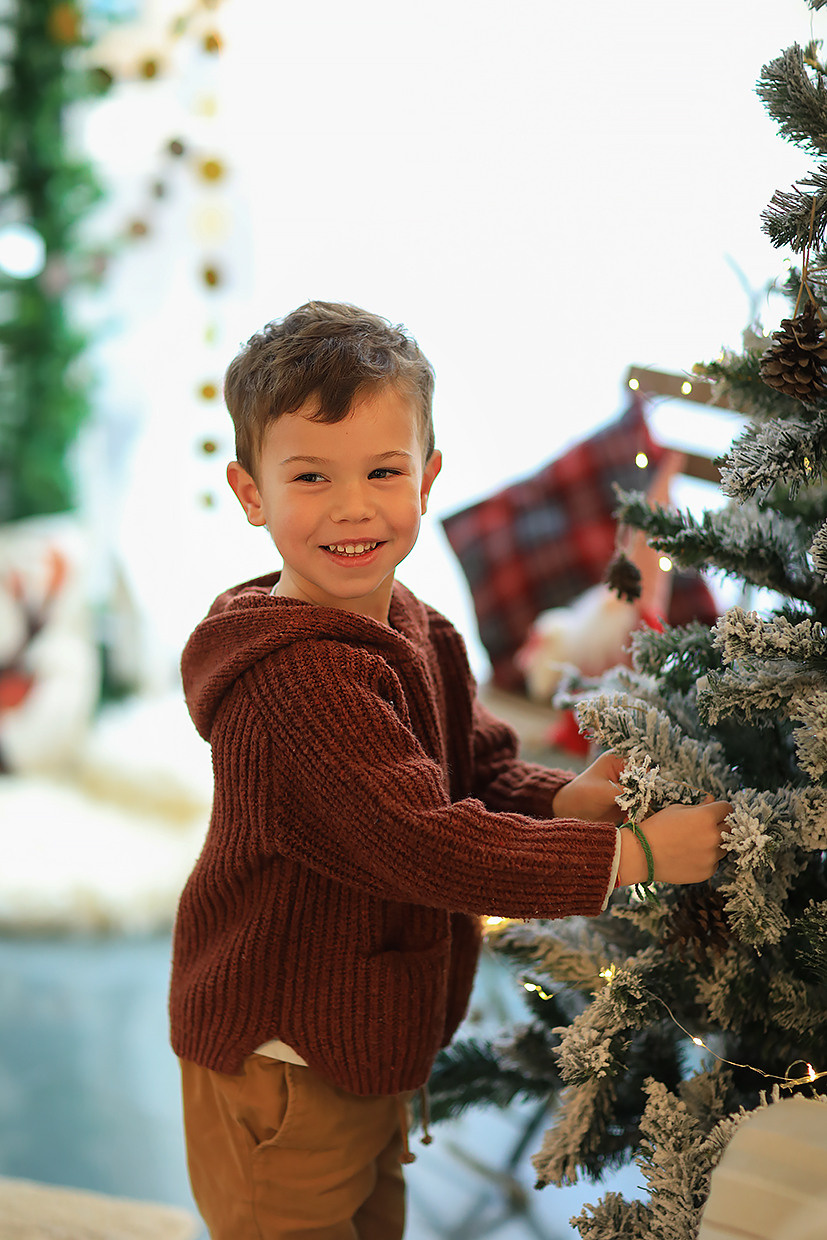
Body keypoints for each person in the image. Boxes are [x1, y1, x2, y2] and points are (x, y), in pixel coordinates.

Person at [169, 301, 731, 1240]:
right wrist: (631, 856)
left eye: (382, 471)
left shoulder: (416, 626)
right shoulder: (295, 682)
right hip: (281, 1063)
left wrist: (564, 798)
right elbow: (431, 846)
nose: (353, 506)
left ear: (427, 478)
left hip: (367, 1043)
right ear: (250, 492)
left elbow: (471, 768)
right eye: (311, 476)